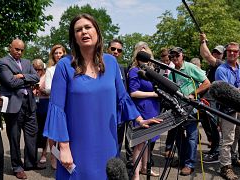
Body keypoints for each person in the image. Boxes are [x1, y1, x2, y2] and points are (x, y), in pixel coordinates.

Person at [43, 13, 161, 180]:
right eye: (78, 30)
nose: (84, 32)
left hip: (107, 141)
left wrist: (140, 119)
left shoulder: (111, 63)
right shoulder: (64, 65)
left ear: (97, 32)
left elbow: (123, 97)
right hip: (76, 143)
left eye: (88, 27)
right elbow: (57, 108)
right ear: (74, 37)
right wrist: (63, 147)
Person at [0, 39, 40, 179]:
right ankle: (17, 167)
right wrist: (28, 80)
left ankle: (30, 162)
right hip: (14, 106)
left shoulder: (27, 62)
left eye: (22, 50)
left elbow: (37, 77)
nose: (19, 52)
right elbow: (10, 82)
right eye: (17, 49)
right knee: (14, 138)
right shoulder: (3, 62)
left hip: (30, 104)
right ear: (10, 47)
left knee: (32, 135)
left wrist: (21, 76)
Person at [168, 47, 211, 176]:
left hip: (191, 108)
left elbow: (207, 83)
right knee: (179, 136)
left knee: (192, 137)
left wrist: (193, 94)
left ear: (182, 55)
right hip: (178, 108)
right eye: (172, 56)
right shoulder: (172, 73)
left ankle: (189, 164)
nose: (175, 58)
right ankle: (182, 160)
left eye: (177, 55)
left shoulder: (190, 67)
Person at [214, 42, 240, 180]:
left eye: (235, 51)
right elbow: (224, 91)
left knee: (237, 135)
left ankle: (233, 158)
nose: (232, 53)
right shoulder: (221, 69)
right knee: (227, 138)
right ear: (225, 53)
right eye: (229, 51)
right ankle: (225, 167)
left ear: (239, 53)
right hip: (227, 109)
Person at [128, 42, 160, 179]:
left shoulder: (152, 70)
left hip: (153, 108)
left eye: (145, 50)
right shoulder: (134, 70)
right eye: (140, 50)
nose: (143, 52)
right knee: (140, 143)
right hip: (142, 109)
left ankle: (146, 168)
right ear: (136, 54)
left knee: (148, 141)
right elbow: (133, 93)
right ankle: (136, 174)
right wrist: (153, 94)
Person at [107, 39, 133, 168]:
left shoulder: (122, 69)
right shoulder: (100, 66)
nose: (116, 52)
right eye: (113, 49)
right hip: (105, 111)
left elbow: (124, 90)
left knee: (118, 141)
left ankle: (114, 166)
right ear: (107, 49)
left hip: (119, 112)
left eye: (119, 50)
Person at [199, 34, 224, 163]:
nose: (215, 54)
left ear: (222, 56)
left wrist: (203, 41)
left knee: (215, 126)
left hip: (216, 100)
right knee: (206, 122)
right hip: (208, 99)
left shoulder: (220, 64)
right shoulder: (212, 66)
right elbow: (206, 54)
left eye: (218, 53)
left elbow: (206, 55)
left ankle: (216, 152)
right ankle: (213, 147)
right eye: (214, 51)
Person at [44, 44, 67, 170]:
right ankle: (53, 156)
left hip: (68, 103)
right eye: (56, 53)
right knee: (53, 133)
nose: (58, 55)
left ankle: (64, 155)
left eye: (60, 53)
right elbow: (47, 88)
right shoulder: (50, 70)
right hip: (55, 103)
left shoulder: (70, 67)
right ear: (53, 55)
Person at [32, 59, 49, 166]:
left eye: (40, 69)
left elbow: (52, 90)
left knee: (44, 130)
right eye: (35, 69)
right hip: (33, 103)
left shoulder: (47, 76)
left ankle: (44, 153)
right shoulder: (31, 76)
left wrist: (41, 90)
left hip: (45, 103)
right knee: (34, 130)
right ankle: (32, 153)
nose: (38, 71)